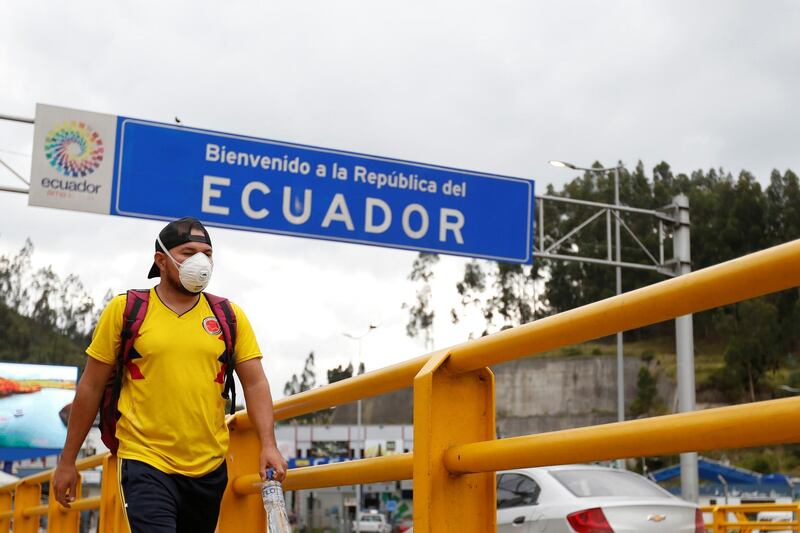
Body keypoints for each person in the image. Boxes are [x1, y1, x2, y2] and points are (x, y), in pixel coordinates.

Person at [52, 216, 287, 533]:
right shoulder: (126, 311)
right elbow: (91, 387)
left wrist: (268, 445)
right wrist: (68, 461)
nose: (200, 261)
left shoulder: (229, 316)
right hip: (145, 460)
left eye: (207, 253)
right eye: (188, 252)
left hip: (209, 466)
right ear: (160, 260)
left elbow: (256, 382)